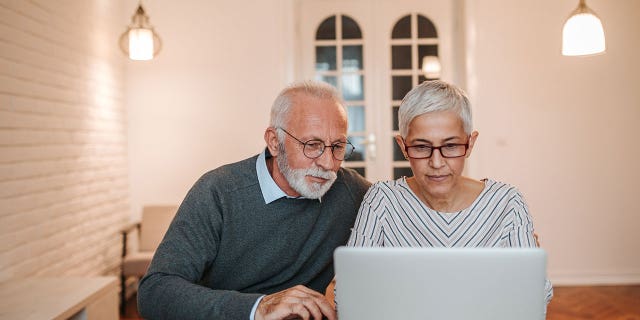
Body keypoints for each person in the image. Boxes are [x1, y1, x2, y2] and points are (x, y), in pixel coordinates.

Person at [137, 80, 371, 320]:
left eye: (338, 147)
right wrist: (258, 307)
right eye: (312, 145)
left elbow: (402, 205)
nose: (328, 163)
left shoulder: (353, 192)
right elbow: (155, 291)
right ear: (274, 142)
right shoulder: (218, 192)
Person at [345, 80, 553, 306]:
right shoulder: (381, 199)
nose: (436, 162)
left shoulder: (507, 203)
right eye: (422, 147)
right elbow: (351, 292)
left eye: (451, 146)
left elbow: (536, 295)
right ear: (403, 147)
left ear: (470, 143)